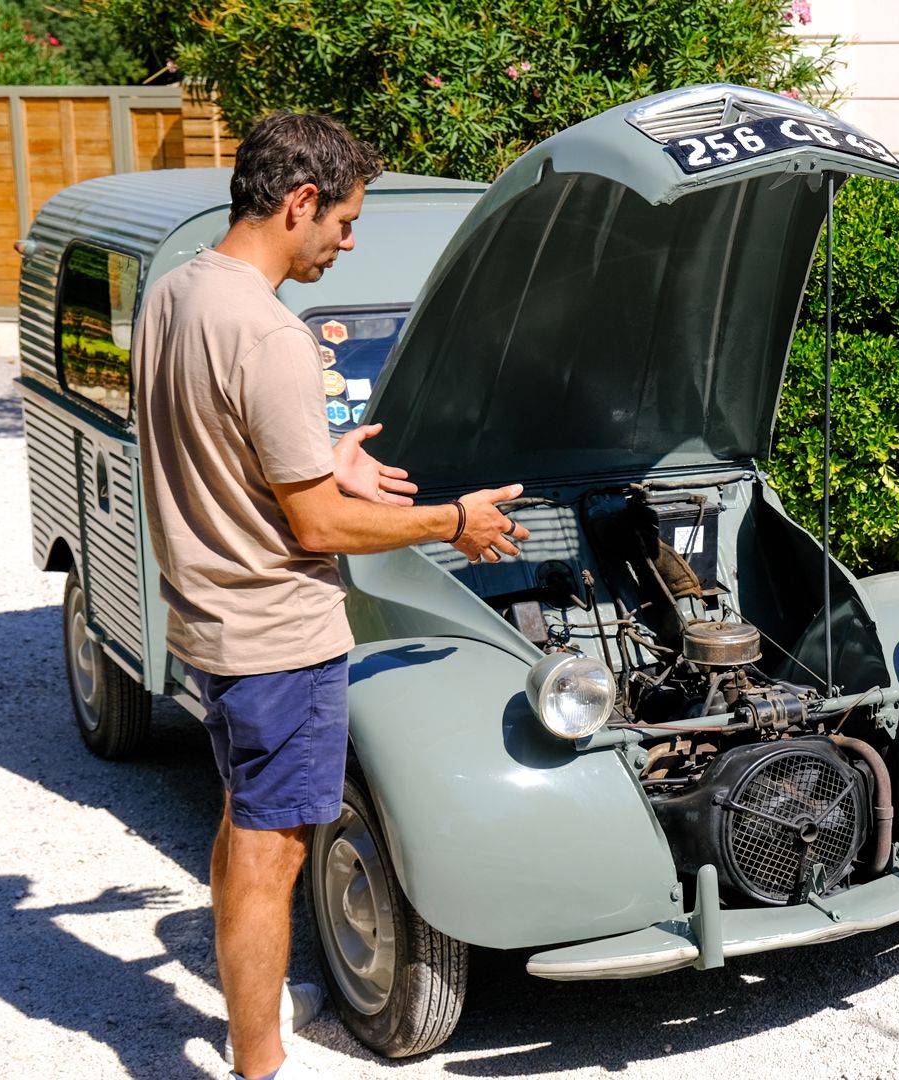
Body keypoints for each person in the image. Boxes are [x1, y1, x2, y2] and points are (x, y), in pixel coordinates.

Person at [132, 111, 530, 1080]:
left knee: (243, 821)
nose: (347, 244)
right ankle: (260, 1063)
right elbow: (318, 529)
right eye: (344, 223)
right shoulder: (269, 334)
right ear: (299, 202)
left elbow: (226, 450)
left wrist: (325, 458)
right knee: (275, 856)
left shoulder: (176, 292)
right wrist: (452, 521)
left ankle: (253, 1014)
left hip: (212, 621)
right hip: (279, 635)